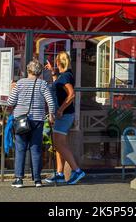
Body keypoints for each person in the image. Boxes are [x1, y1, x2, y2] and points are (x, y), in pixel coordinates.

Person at [7, 59, 55, 188]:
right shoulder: (43, 84)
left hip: (21, 120)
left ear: (28, 70)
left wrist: (12, 89)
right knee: (36, 149)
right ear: (39, 72)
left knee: (20, 149)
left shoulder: (20, 83)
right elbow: (50, 102)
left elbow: (10, 102)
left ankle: (19, 179)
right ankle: (37, 179)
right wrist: (51, 115)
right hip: (38, 120)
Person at [44, 51, 85, 185]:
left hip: (65, 114)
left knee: (59, 144)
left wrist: (61, 109)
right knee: (59, 144)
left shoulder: (66, 76)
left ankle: (77, 171)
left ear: (58, 62)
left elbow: (71, 94)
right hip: (63, 114)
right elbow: (59, 89)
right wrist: (53, 73)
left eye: (56, 61)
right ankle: (60, 174)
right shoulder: (64, 75)